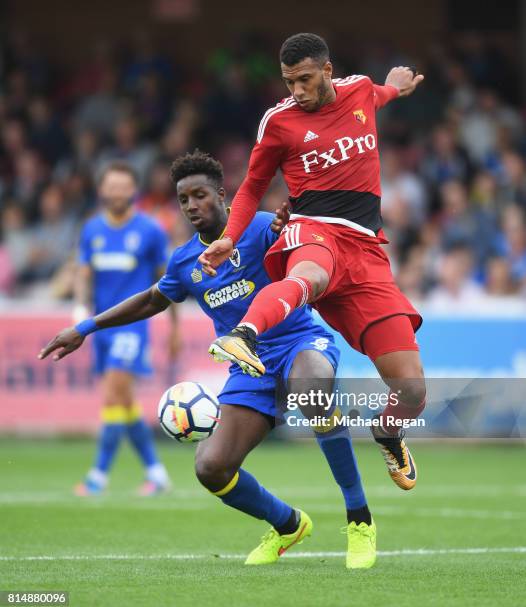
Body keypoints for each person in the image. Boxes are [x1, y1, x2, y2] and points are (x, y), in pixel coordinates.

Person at [39, 151, 376, 569]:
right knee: (211, 467)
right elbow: (150, 300)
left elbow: (308, 256)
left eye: (200, 195)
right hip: (249, 364)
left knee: (313, 391)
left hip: (298, 340)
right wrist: (84, 329)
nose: (192, 206)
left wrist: (290, 229)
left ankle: (359, 519)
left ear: (222, 194)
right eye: (183, 200)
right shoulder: (185, 262)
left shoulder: (262, 227)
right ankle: (287, 524)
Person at [198, 33, 426, 491]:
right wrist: (228, 238)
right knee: (310, 274)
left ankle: (387, 431)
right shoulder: (278, 122)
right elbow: (251, 186)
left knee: (413, 391)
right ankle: (244, 335)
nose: (296, 91)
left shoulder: (360, 90)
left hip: (365, 251)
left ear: (327, 70)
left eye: (304, 79)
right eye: (288, 82)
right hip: (313, 228)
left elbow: (379, 94)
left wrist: (395, 86)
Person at [70, 161, 176, 496]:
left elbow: (167, 281)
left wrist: (175, 327)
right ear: (102, 190)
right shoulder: (92, 230)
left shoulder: (150, 230)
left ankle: (97, 476)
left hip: (133, 328)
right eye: (111, 186)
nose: (117, 192)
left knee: (114, 392)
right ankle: (157, 473)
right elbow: (84, 273)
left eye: (123, 186)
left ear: (134, 190)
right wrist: (80, 308)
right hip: (100, 326)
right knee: (124, 400)